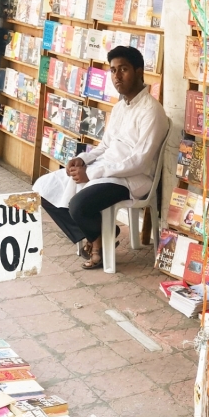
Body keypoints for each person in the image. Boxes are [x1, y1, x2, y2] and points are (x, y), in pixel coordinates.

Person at [34, 45, 168, 270]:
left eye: (123, 69)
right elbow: (105, 145)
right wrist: (83, 160)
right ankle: (100, 235)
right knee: (42, 188)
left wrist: (93, 172)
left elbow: (140, 161)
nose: (117, 76)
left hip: (131, 178)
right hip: (106, 169)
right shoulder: (119, 108)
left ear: (139, 71)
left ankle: (98, 241)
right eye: (113, 71)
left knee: (78, 205)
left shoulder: (151, 111)